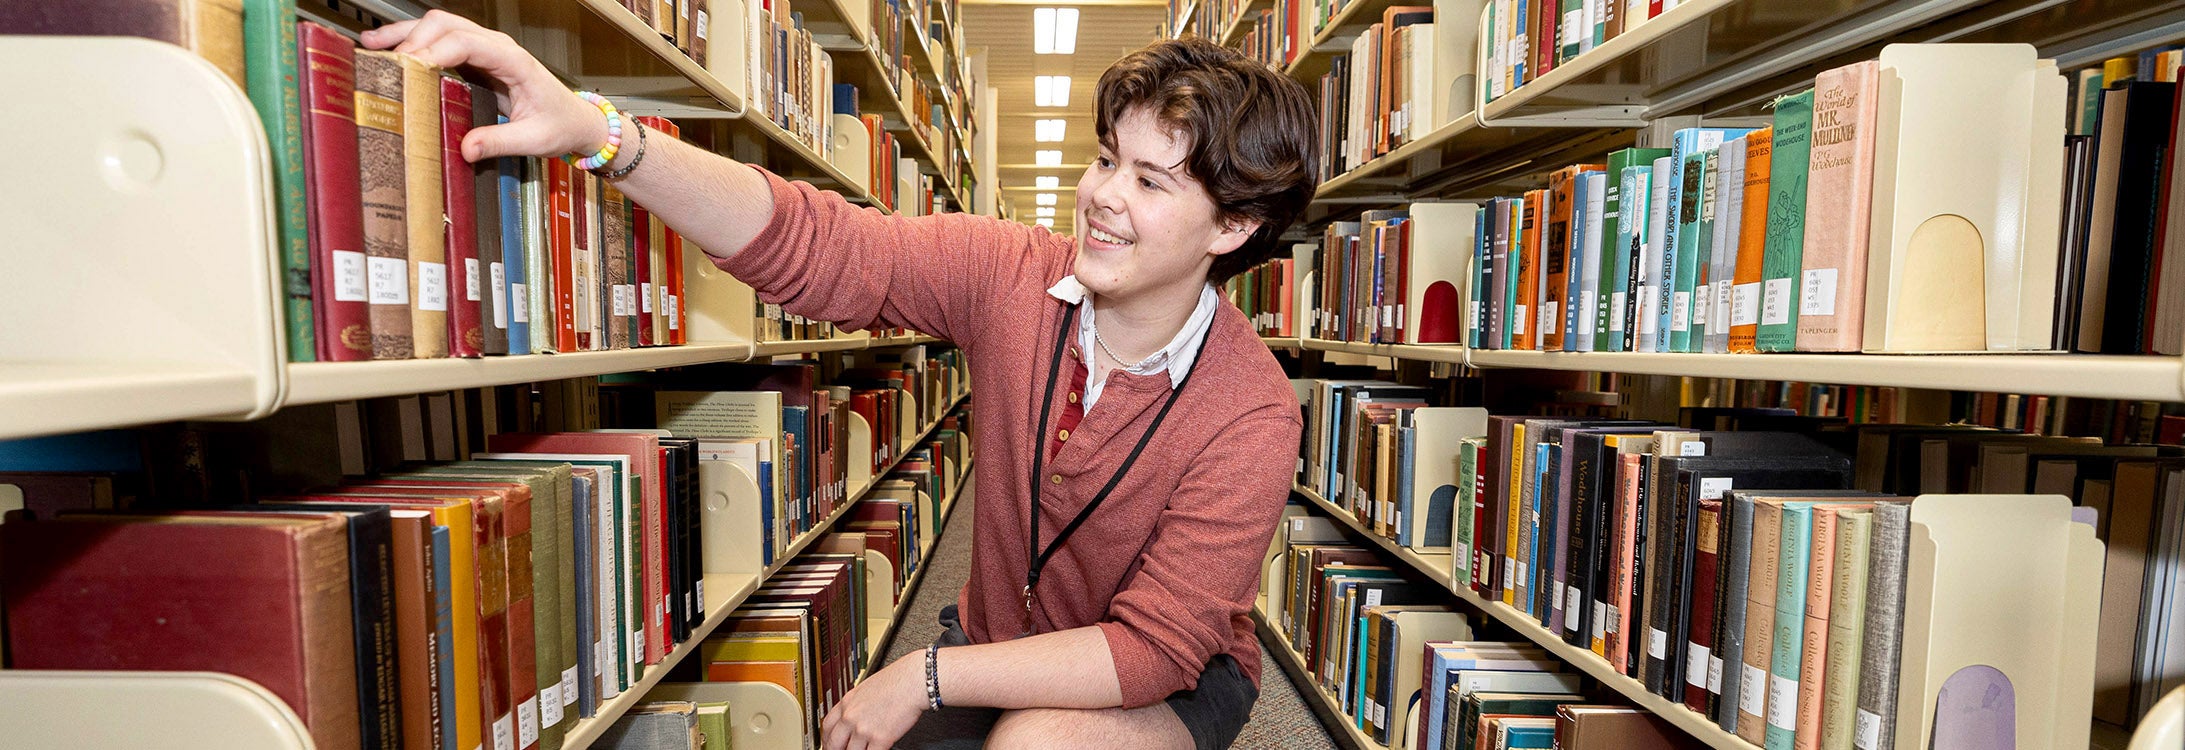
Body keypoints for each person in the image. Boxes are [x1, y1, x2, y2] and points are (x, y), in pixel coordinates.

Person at [363, 11, 1318, 749]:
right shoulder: (1013, 277)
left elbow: (1149, 648)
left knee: (1035, 741)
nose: (1104, 196)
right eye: (1107, 159)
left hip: (1162, 680)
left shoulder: (1250, 411)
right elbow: (817, 245)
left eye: (1151, 182)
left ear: (1232, 227)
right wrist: (601, 135)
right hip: (993, 642)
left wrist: (928, 676)